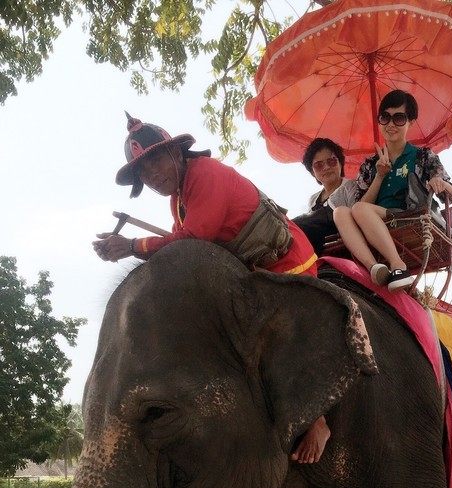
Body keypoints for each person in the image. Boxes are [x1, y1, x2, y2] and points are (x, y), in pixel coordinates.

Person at [93, 114, 329, 463]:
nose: (152, 175)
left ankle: (319, 418)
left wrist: (132, 247)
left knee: (272, 337)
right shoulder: (178, 200)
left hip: (284, 265)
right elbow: (183, 253)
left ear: (176, 152)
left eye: (155, 161)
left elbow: (191, 241)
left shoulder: (204, 175)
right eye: (143, 171)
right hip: (248, 276)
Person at [332, 90, 452, 291]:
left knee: (361, 210)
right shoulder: (370, 164)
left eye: (399, 118)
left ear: (411, 122)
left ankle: (398, 265)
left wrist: (440, 183)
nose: (390, 124)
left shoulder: (422, 156)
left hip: (409, 215)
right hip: (372, 217)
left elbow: (450, 190)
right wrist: (380, 175)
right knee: (341, 212)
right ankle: (375, 268)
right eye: (385, 117)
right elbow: (359, 203)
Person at [293, 138, 357, 254]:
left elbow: (357, 219)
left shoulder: (350, 186)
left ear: (340, 163)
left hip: (343, 247)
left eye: (331, 161)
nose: (326, 167)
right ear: (312, 172)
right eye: (319, 165)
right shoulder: (313, 199)